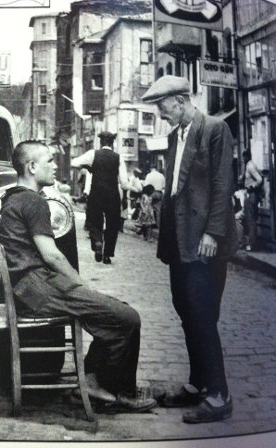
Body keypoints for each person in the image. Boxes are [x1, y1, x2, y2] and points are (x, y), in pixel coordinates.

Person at [0, 140, 156, 413]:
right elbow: (52, 255)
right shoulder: (33, 201)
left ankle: (94, 381)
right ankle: (121, 391)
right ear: (32, 167)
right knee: (128, 318)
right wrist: (81, 285)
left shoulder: (11, 197)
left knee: (115, 314)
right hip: (40, 287)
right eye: (49, 160)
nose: (55, 166)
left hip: (30, 287)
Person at [142, 75, 238, 423]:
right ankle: (198, 384)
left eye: (163, 106)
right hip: (179, 242)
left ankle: (220, 394)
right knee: (185, 310)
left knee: (203, 314)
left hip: (204, 242)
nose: (160, 113)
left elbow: (222, 184)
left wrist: (212, 233)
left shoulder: (214, 129)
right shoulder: (174, 136)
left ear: (181, 100)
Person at [71, 131, 133, 264]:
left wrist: (88, 166)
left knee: (94, 221)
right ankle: (107, 255)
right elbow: (124, 182)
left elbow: (74, 163)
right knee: (112, 224)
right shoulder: (118, 157)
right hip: (112, 195)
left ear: (101, 142)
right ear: (112, 143)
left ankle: (98, 242)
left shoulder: (93, 154)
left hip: (96, 194)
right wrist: (124, 199)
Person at [241, 149, 263, 251]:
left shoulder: (250, 166)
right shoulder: (249, 165)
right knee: (249, 219)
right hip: (249, 194)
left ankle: (252, 244)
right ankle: (250, 242)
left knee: (251, 220)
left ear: (247, 156)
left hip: (251, 194)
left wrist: (251, 186)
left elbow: (259, 179)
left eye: (244, 157)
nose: (243, 159)